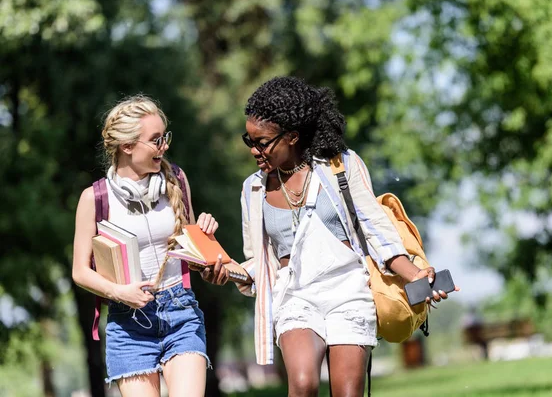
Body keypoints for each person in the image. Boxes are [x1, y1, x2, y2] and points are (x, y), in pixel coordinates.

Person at [202, 76, 459, 396]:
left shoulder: (340, 166)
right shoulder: (252, 190)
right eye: (249, 140)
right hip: (295, 296)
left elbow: (376, 230)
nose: (254, 150)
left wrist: (416, 275)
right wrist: (225, 271)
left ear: (293, 136)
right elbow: (260, 264)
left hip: (349, 291)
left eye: (262, 142)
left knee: (347, 392)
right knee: (302, 384)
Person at [72, 95, 217, 397]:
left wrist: (207, 236)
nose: (164, 146)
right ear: (127, 146)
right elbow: (80, 272)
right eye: (155, 140)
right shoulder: (94, 199)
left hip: (181, 311)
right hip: (129, 325)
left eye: (165, 137)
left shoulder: (176, 179)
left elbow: (195, 255)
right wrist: (118, 293)